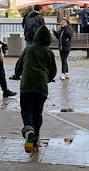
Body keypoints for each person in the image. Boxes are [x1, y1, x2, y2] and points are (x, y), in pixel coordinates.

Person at [14, 25, 57, 153]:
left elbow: (19, 65)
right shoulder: (49, 52)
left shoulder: (29, 49)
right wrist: (48, 78)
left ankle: (28, 131)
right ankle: (35, 139)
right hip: (41, 86)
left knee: (26, 110)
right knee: (37, 112)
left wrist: (17, 75)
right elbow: (53, 71)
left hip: (27, 84)